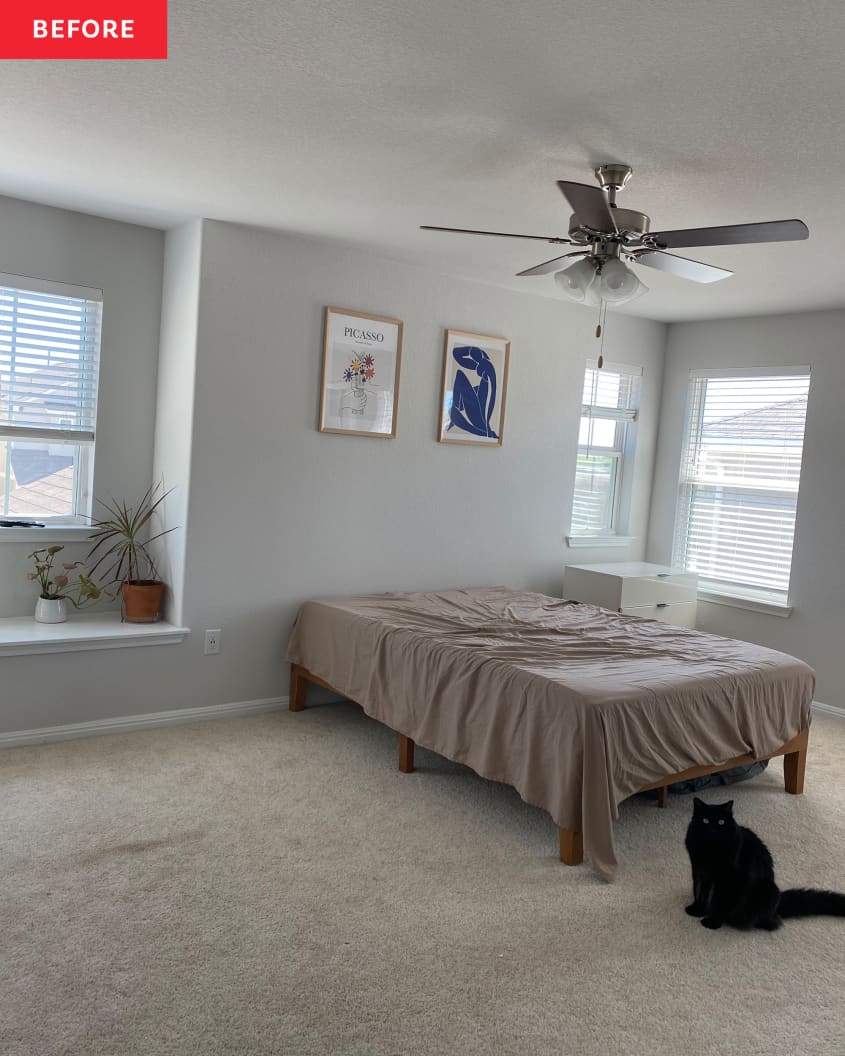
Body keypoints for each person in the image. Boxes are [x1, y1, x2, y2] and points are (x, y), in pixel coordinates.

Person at [447, 346, 498, 438]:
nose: (476, 369)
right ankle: (458, 407)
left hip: (479, 420)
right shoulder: (483, 366)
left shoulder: (486, 367)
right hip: (480, 418)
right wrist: (470, 350)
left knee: (460, 375)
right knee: (476, 387)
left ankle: (456, 409)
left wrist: (487, 425)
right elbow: (456, 354)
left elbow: (492, 396)